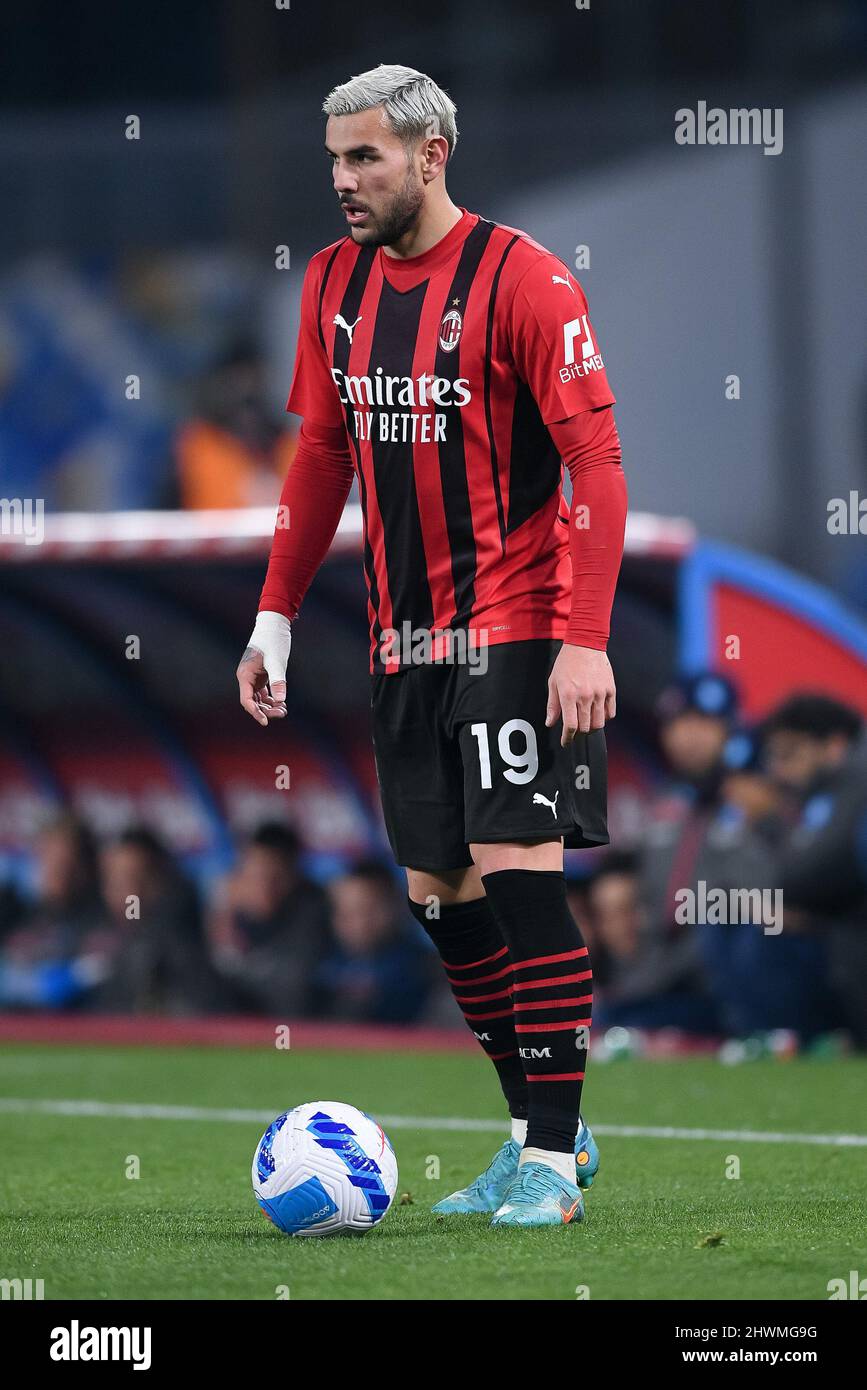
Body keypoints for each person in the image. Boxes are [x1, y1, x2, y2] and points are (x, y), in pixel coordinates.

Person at [236, 65, 627, 1227]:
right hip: (404, 635)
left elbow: (597, 466)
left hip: (520, 621)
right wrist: (273, 612)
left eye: (366, 158)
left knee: (519, 874)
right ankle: (535, 1128)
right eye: (335, 162)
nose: (346, 182)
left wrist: (586, 640)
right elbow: (320, 456)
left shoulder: (527, 281)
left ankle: (553, 1162)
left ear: (432, 153)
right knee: (438, 890)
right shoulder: (333, 284)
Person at [761, 694, 867, 1047]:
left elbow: (823, 865)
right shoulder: (824, 793)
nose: (780, 769)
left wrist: (786, 898)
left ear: (834, 745)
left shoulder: (853, 781)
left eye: (791, 753)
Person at [207, 822, 330, 1016]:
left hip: (292, 1025)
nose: (265, 888)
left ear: (295, 874)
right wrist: (223, 912)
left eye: (276, 877)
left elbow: (293, 983)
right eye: (257, 876)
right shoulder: (228, 906)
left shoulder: (313, 907)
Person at [314, 860, 435, 1023]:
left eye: (368, 910)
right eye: (346, 913)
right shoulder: (317, 962)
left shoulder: (426, 969)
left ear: (396, 906)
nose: (359, 923)